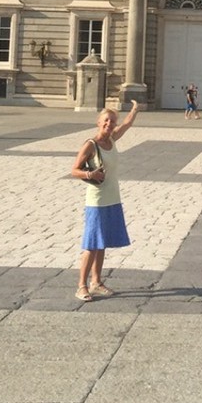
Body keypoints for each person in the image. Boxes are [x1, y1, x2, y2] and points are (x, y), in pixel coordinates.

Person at [70, 102, 139, 302]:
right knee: (92, 243)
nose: (109, 124)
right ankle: (81, 285)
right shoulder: (90, 145)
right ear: (98, 122)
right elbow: (74, 170)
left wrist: (134, 110)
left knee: (102, 243)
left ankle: (97, 282)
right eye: (106, 120)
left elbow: (126, 126)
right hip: (96, 200)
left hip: (112, 198)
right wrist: (90, 173)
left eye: (112, 121)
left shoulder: (112, 140)